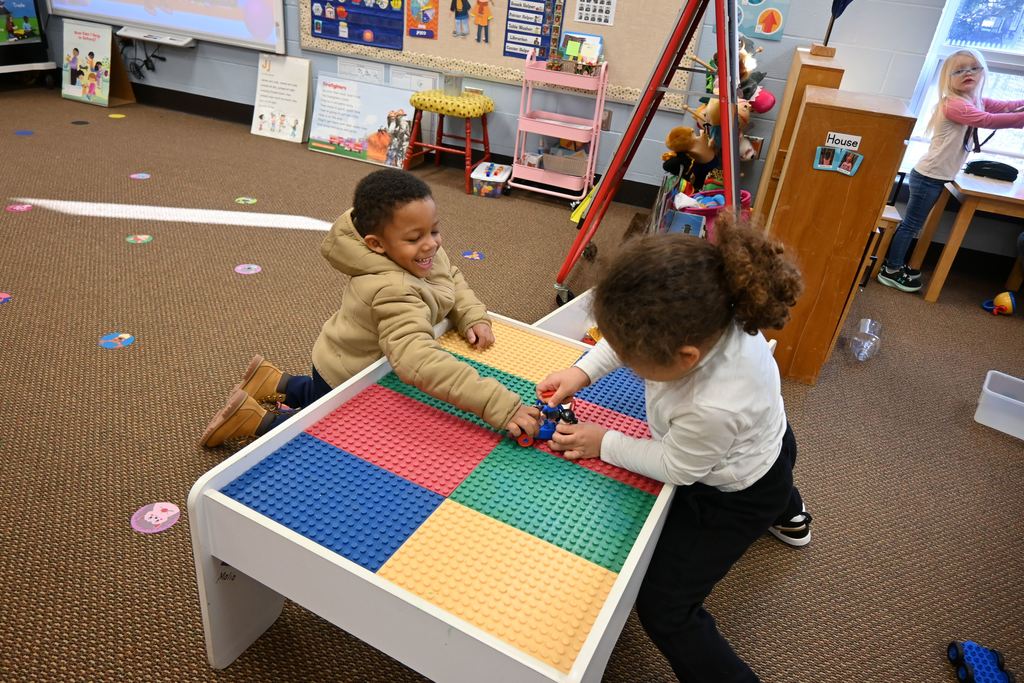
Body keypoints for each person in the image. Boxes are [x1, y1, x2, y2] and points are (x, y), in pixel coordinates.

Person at [536, 214, 808, 683]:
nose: (626, 360)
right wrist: (582, 371)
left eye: (635, 362)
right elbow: (625, 338)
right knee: (771, 465)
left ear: (684, 358)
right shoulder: (703, 314)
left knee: (665, 606)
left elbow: (677, 466)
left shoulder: (714, 404)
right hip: (767, 442)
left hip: (733, 493)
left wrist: (605, 442)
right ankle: (791, 512)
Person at [201, 169, 539, 447]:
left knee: (318, 394)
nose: (431, 244)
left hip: (342, 359)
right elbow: (418, 361)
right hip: (350, 376)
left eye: (434, 230)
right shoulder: (392, 291)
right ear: (375, 245)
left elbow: (449, 277)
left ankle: (274, 381)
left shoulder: (424, 255)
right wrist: (498, 405)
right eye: (415, 238)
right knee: (324, 434)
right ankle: (255, 420)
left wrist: (470, 314)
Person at [879, 48, 1024, 293]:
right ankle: (891, 270)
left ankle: (894, 265)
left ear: (982, 72)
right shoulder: (954, 105)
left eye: (973, 68)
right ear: (948, 77)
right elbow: (988, 120)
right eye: (959, 70)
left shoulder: (975, 100)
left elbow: (1007, 106)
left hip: (936, 176)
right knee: (912, 225)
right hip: (928, 176)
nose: (967, 73)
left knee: (914, 224)